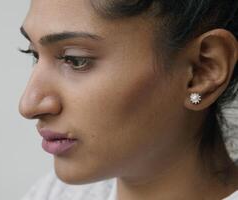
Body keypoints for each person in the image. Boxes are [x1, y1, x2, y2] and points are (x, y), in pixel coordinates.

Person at [17, 0, 238, 199]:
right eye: (34, 54)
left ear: (202, 71)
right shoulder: (53, 194)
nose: (28, 105)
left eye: (75, 60)